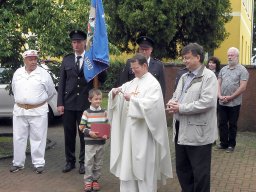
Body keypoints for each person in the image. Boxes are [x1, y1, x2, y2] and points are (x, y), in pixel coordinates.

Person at [108, 53, 173, 192]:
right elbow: (121, 91)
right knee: (128, 165)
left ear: (144, 66)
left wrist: (132, 99)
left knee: (143, 167)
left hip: (144, 133)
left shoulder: (153, 84)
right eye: (132, 68)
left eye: (135, 68)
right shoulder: (133, 81)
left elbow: (153, 107)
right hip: (129, 133)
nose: (133, 71)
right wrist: (113, 93)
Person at [166, 43, 218, 192]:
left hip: (199, 135)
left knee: (200, 174)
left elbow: (207, 102)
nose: (185, 61)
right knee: (183, 171)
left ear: (198, 57)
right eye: (183, 58)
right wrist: (172, 102)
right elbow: (177, 96)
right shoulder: (183, 76)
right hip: (180, 131)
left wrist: (181, 108)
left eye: (187, 58)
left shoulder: (209, 77)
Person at [57, 30, 107, 174]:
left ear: (85, 43)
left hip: (86, 103)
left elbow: (102, 79)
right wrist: (60, 103)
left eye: (79, 41)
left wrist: (99, 65)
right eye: (74, 42)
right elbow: (62, 83)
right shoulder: (66, 59)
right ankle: (69, 161)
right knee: (69, 133)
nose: (76, 44)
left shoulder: (91, 59)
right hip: (69, 103)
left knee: (85, 134)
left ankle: (83, 162)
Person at [10, 50, 56, 174]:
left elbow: (51, 92)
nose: (33, 61)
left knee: (38, 138)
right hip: (20, 111)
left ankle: (39, 163)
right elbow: (14, 89)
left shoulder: (44, 74)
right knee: (19, 137)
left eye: (35, 59)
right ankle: (18, 163)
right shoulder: (18, 73)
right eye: (30, 59)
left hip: (38, 111)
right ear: (24, 60)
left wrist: (37, 102)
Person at [216, 47, 249, 153]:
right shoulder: (223, 69)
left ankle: (231, 145)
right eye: (228, 55)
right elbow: (218, 83)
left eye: (232, 55)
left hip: (234, 103)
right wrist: (219, 95)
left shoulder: (242, 70)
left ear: (237, 56)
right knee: (222, 123)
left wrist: (231, 97)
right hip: (222, 102)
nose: (229, 57)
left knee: (233, 124)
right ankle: (223, 143)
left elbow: (243, 87)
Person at [79, 88, 109, 192]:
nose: (98, 101)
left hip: (101, 143)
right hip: (90, 143)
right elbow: (81, 127)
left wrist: (106, 135)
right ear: (90, 99)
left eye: (100, 99)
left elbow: (107, 126)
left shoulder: (104, 112)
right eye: (96, 99)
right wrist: (90, 133)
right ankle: (88, 182)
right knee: (88, 163)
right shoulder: (86, 112)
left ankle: (95, 180)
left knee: (98, 163)